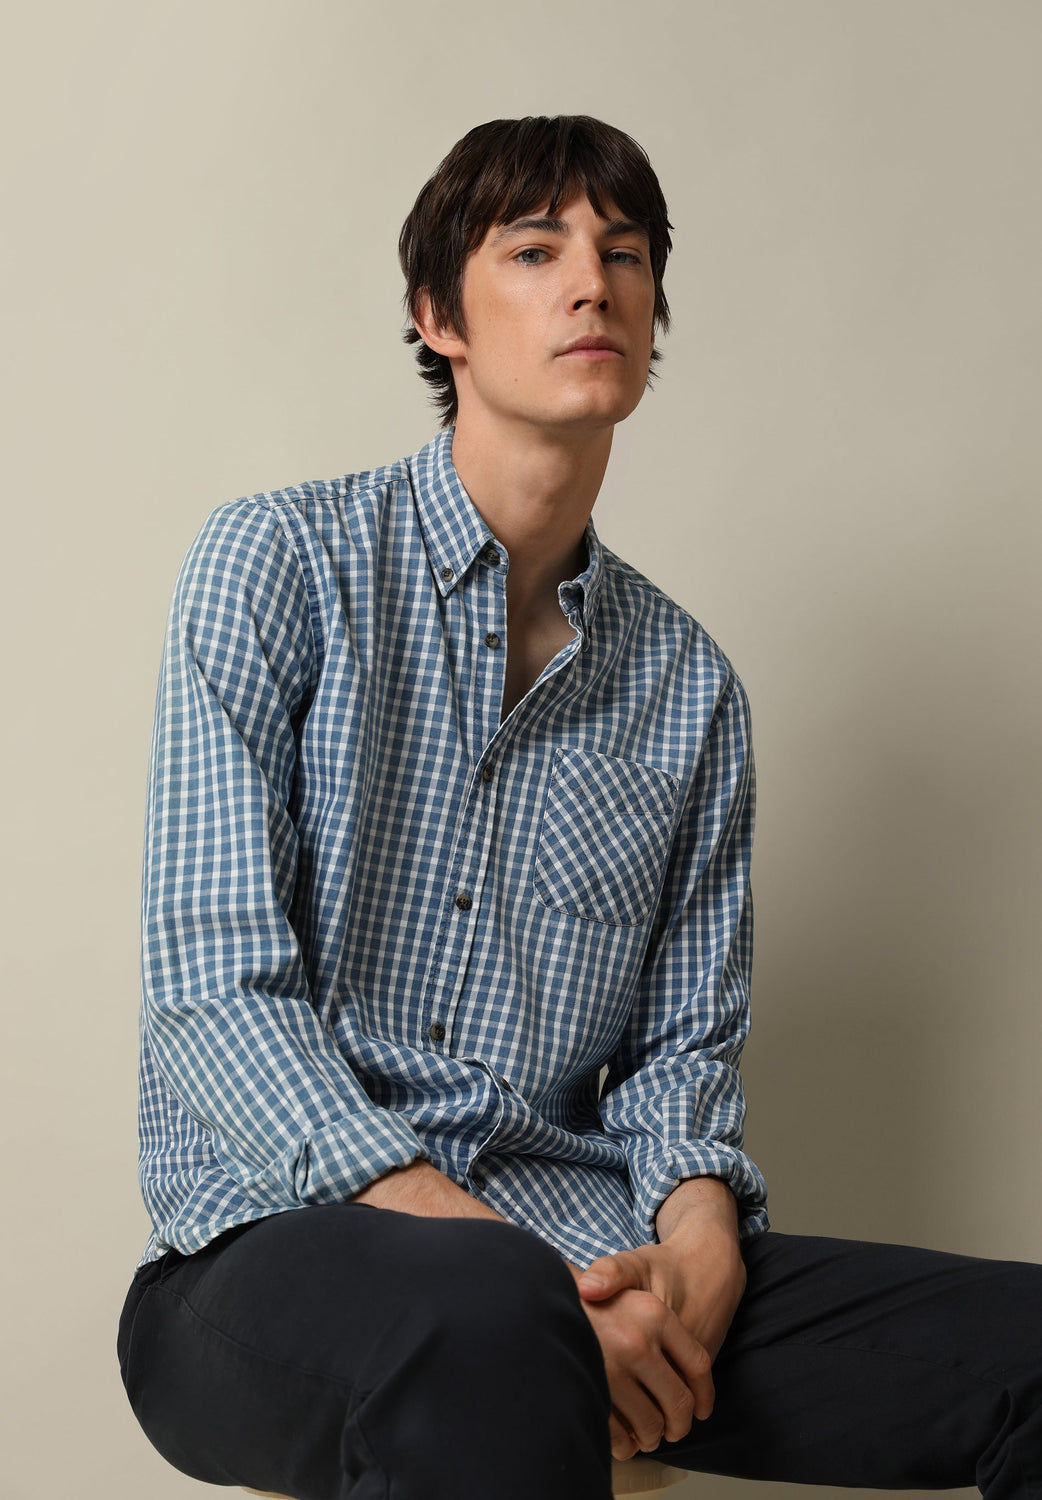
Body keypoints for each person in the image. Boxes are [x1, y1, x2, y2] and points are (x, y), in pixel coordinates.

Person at [117, 115, 1041, 1500]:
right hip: (262, 1250)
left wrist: (701, 1244)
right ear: (438, 317)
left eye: (624, 254)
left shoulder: (689, 691)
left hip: (590, 1261)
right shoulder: (277, 566)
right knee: (484, 1315)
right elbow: (213, 985)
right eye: (535, 251)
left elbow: (679, 1058)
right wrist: (517, 1270)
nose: (592, 285)